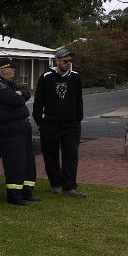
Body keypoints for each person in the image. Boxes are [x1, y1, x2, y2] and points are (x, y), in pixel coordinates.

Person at [32, 48, 86, 198]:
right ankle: (55, 183)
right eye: (65, 61)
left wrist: (77, 119)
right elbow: (38, 103)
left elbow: (78, 100)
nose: (68, 64)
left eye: (70, 61)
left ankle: (70, 186)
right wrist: (40, 122)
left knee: (71, 155)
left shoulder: (75, 77)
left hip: (71, 125)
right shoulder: (46, 77)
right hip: (50, 124)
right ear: (57, 61)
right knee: (51, 156)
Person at [0, 57, 39, 205]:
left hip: (22, 126)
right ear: (4, 69)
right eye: (12, 67)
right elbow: (15, 100)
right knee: (15, 162)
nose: (15, 70)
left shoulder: (9, 84)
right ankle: (15, 196)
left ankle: (27, 192)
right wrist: (19, 95)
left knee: (28, 160)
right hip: (10, 129)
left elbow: (26, 93)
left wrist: (20, 93)